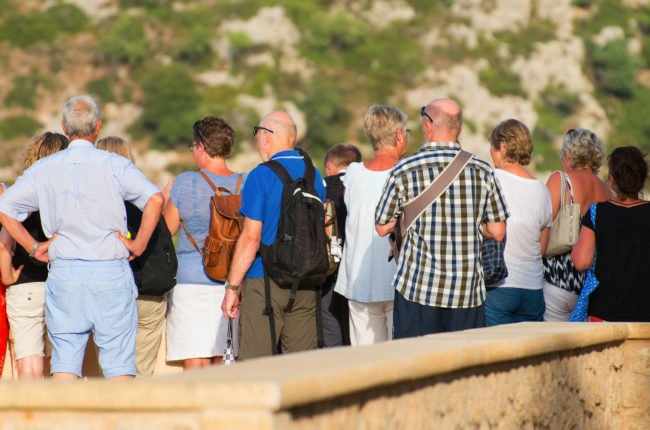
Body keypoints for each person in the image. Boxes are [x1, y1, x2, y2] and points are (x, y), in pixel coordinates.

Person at [0, 95, 163, 380]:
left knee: (64, 363)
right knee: (119, 365)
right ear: (98, 126)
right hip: (110, 272)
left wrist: (33, 245)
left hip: (65, 274)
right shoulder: (116, 165)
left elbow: (5, 208)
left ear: (65, 126)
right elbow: (155, 199)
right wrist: (138, 244)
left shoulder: (43, 169)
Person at [375, 98, 509, 337]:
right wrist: (475, 227)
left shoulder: (404, 170)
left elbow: (382, 227)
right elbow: (498, 231)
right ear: (460, 129)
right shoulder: (483, 171)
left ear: (428, 126)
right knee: (464, 370)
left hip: (417, 290)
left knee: (416, 366)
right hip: (466, 293)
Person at [221, 111, 325, 359]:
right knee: (300, 369)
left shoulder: (261, 175)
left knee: (256, 366)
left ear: (267, 136)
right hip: (307, 282)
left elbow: (250, 238)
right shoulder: (315, 176)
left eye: (257, 133)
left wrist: (233, 288)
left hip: (265, 280)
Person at [163, 116, 246, 370]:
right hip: (233, 286)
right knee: (223, 362)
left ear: (201, 147)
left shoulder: (185, 182)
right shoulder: (247, 182)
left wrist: (165, 198)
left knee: (195, 362)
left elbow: (166, 234)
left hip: (190, 285)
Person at [96, 136, 170, 377]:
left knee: (115, 369)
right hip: (153, 293)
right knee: (143, 371)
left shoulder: (102, 200)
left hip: (118, 292)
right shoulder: (148, 196)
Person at [334, 106, 407, 345]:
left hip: (358, 278)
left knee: (365, 359)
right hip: (398, 279)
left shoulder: (353, 173)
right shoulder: (406, 173)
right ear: (398, 136)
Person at [0, 132, 69, 378]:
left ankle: (32, 411)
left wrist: (8, 276)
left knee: (29, 357)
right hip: (63, 284)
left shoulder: (22, 196)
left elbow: (3, 243)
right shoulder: (68, 197)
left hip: (26, 286)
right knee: (61, 358)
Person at [484, 119, 552, 325]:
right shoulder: (542, 189)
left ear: (502, 147)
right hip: (533, 287)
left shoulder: (490, 179)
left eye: (492, 147)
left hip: (499, 284)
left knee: (495, 354)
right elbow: (542, 247)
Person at [571, 146, 650, 322]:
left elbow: (581, 261)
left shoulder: (596, 212)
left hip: (604, 313)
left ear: (612, 180)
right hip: (645, 314)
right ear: (642, 179)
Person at [542, 128, 611, 321]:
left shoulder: (562, 181)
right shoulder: (607, 192)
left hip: (556, 282)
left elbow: (542, 225)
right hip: (590, 288)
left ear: (569, 154)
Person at [321, 143, 361, 347]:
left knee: (331, 331)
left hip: (329, 271)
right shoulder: (363, 184)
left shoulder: (320, 186)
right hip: (360, 271)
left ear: (329, 165)